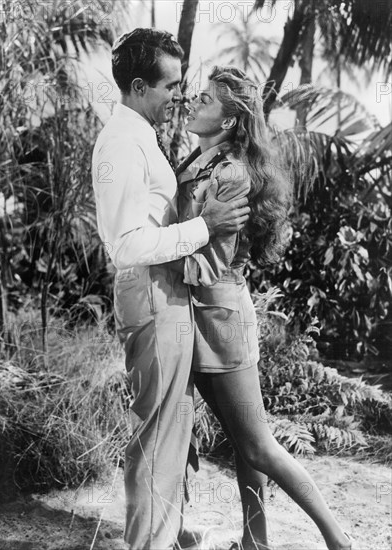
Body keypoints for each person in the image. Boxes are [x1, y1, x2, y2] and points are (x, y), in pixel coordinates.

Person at [176, 65, 353, 550]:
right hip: (205, 318)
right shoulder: (201, 158)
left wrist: (155, 257)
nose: (194, 101)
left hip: (220, 320)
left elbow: (206, 266)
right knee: (243, 441)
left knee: (257, 444)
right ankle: (257, 541)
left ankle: (338, 539)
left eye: (206, 100)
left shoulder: (230, 173)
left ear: (230, 121)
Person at [91, 30, 250, 550]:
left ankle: (169, 532)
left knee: (170, 432)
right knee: (156, 439)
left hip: (168, 294)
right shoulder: (120, 141)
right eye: (172, 86)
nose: (179, 96)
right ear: (139, 86)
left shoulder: (139, 133)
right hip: (152, 295)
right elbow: (126, 245)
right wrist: (205, 227)